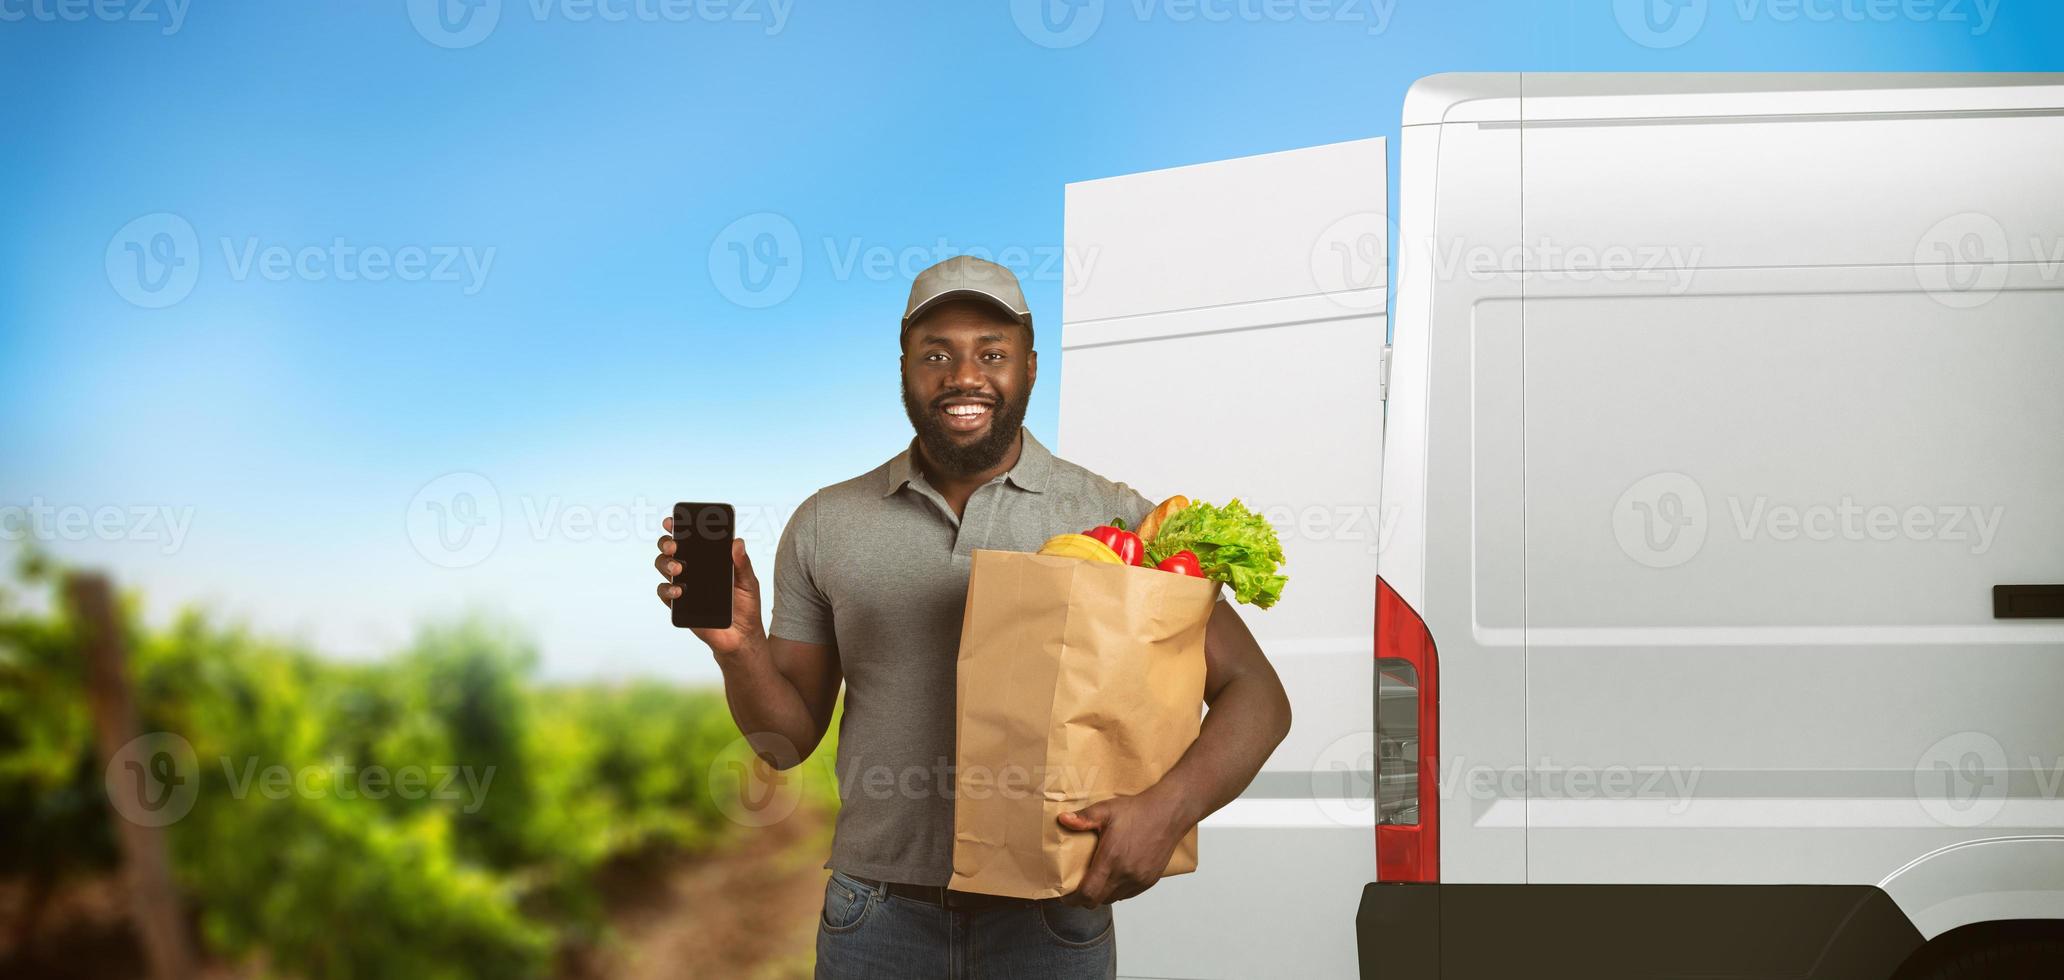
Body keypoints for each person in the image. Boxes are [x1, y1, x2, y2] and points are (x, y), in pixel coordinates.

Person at [653, 255, 1291, 979]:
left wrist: (1169, 808)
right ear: (904, 368)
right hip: (875, 918)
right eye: (936, 355)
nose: (964, 376)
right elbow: (785, 743)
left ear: (1030, 367)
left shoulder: (1112, 516)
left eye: (992, 353)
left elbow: (1258, 696)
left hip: (1050, 918)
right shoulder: (826, 522)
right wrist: (740, 650)